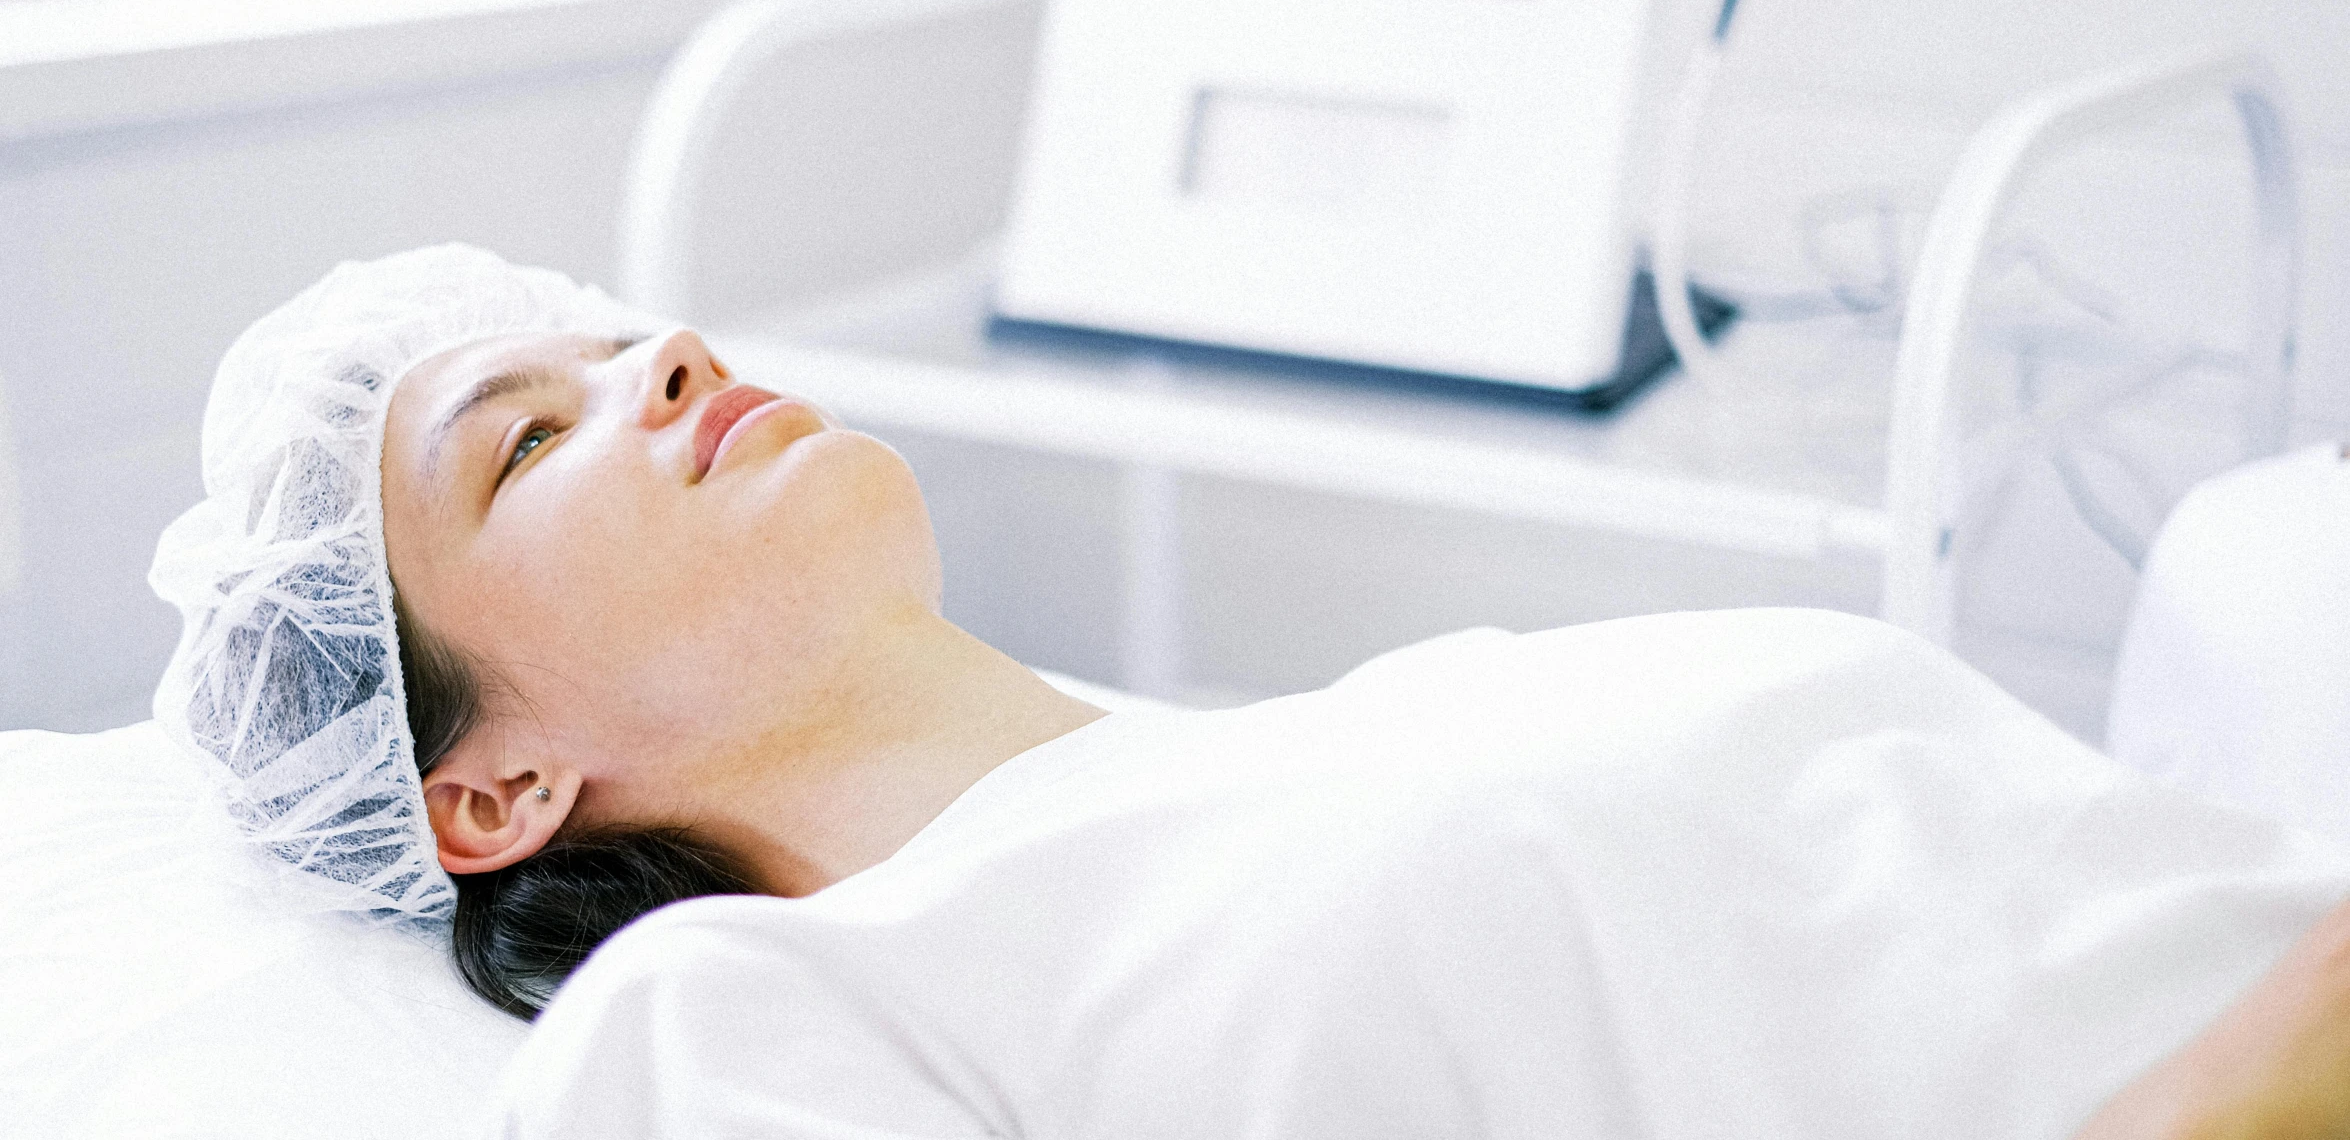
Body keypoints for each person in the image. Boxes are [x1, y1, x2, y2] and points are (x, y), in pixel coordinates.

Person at [148, 245, 2350, 1139]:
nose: (659, 359)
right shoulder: (739, 1020)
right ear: (490, 793)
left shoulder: (1370, 722)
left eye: (621, 338)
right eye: (524, 442)